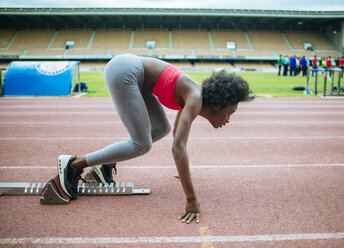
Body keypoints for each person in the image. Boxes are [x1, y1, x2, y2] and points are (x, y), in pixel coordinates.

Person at [55, 54, 254, 224]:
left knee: (161, 128)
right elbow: (178, 148)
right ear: (219, 105)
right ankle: (73, 164)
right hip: (125, 71)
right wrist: (191, 199)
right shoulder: (195, 97)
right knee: (141, 144)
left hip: (138, 80)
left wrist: (182, 170)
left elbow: (177, 134)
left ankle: (103, 167)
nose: (229, 119)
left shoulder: (194, 97)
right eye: (231, 113)